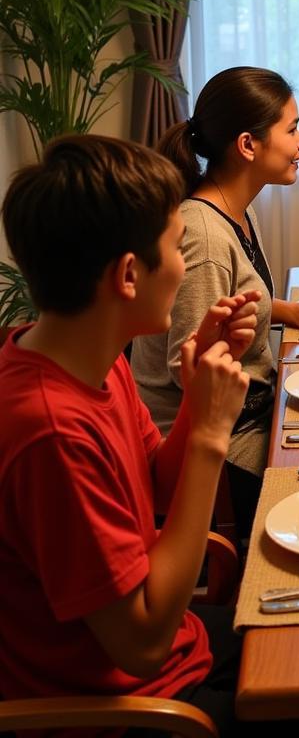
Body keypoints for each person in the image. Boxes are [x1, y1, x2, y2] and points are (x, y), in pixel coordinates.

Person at [0, 135, 251, 729]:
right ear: (130, 275)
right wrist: (214, 438)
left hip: (176, 649)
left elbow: (159, 494)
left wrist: (194, 399)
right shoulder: (51, 432)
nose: (186, 266)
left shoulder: (87, 353)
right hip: (130, 707)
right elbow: (141, 646)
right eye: (177, 247)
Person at [131, 66, 299, 536]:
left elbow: (242, 300)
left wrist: (289, 311)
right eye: (291, 129)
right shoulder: (203, 234)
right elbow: (188, 370)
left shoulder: (233, 209)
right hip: (218, 449)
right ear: (248, 145)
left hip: (248, 414)